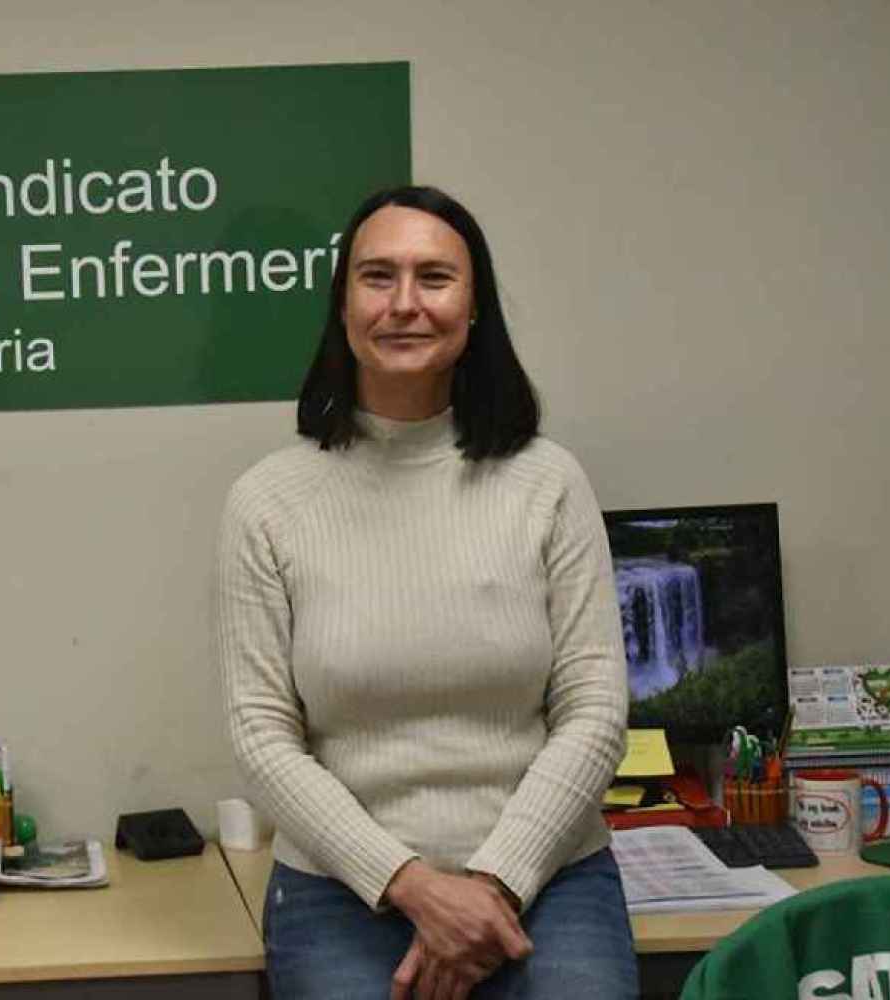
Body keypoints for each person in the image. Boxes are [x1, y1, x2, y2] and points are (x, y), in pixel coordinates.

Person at [215, 185, 635, 1000]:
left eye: (433, 277)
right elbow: (261, 737)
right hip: (345, 887)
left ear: (473, 308)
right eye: (377, 276)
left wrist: (493, 887)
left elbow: (594, 709)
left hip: (545, 875)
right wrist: (413, 887)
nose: (403, 303)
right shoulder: (267, 502)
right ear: (343, 306)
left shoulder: (547, 482)